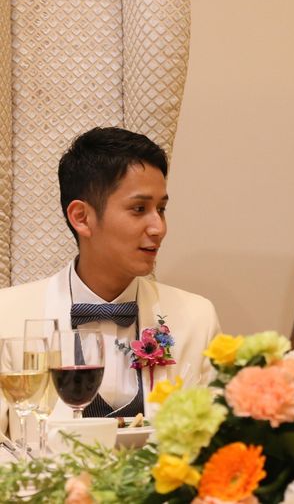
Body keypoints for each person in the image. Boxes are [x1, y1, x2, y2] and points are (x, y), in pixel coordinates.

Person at [0, 127, 220, 436]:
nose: (158, 228)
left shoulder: (197, 317)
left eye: (161, 209)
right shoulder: (7, 315)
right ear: (81, 217)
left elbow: (215, 440)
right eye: (139, 209)